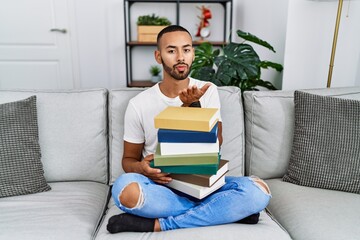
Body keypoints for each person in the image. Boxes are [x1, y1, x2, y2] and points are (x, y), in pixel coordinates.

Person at [107, 25, 271, 233]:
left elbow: (216, 143)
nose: (180, 57)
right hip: (161, 187)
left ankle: (160, 224)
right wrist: (141, 169)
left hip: (203, 182)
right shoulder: (138, 104)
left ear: (193, 53)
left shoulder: (206, 91)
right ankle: (222, 211)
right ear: (158, 56)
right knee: (124, 190)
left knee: (259, 191)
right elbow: (128, 160)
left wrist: (193, 107)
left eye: (186, 49)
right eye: (171, 50)